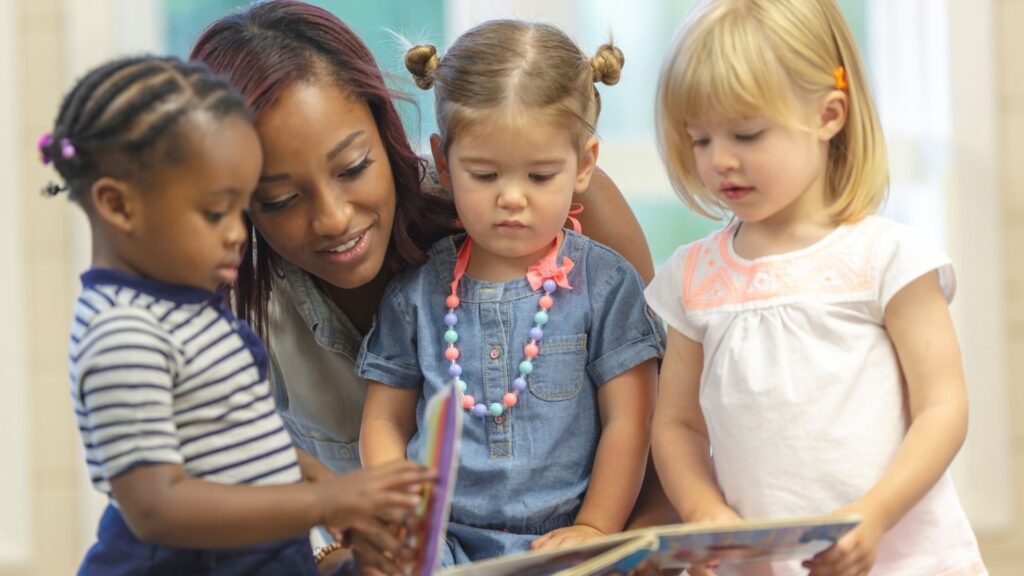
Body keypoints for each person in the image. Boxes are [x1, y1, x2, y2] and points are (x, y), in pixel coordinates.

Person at [190, 1, 677, 571]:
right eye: (279, 199)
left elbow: (654, 436)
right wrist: (366, 547)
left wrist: (608, 548)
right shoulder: (243, 311)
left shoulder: (585, 241)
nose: (334, 219)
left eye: (351, 168)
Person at [44, 54, 433, 575]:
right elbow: (156, 508)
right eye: (215, 212)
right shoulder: (123, 332)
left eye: (240, 210)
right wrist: (324, 505)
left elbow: (243, 443)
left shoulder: (190, 309)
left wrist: (330, 488)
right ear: (118, 205)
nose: (235, 233)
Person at [646, 1, 986, 575]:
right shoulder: (694, 275)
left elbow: (943, 407)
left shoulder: (888, 258)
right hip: (759, 561)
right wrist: (703, 508)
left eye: (746, 133)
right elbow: (676, 423)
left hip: (897, 555)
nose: (720, 160)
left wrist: (875, 514)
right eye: (700, 139)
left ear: (829, 115)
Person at [357, 20, 664, 567]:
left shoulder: (607, 285)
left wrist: (597, 525)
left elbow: (630, 419)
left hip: (565, 538)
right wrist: (401, 514)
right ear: (445, 164)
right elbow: (383, 420)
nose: (512, 199)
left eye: (541, 176)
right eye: (485, 174)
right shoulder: (416, 295)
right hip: (441, 539)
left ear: (584, 164)